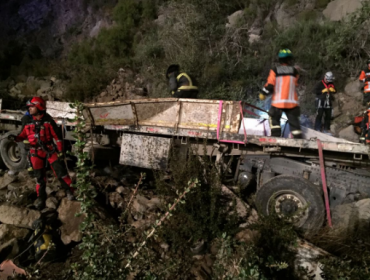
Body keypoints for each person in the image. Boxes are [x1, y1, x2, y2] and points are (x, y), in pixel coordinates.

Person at [8, 97, 74, 209]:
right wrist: (15, 138)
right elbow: (23, 135)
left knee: (61, 172)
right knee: (39, 178)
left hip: (50, 150)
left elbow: (57, 138)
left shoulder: (48, 121)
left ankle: (70, 192)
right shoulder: (28, 122)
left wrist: (60, 152)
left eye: (32, 107)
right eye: (29, 107)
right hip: (35, 152)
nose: (29, 109)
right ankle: (40, 198)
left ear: (39, 106)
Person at [259, 49, 302, 139]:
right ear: (290, 59)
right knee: (295, 124)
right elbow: (296, 83)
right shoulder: (295, 72)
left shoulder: (275, 70)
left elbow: (270, 84)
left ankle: (276, 138)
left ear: (279, 60)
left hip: (278, 103)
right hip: (292, 103)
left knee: (274, 120)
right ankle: (299, 141)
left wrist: (263, 93)